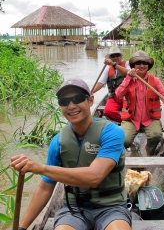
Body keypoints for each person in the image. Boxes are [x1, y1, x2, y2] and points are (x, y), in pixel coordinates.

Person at [10, 78, 132, 230]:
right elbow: (45, 187)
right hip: (74, 209)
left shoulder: (112, 132)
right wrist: (21, 227)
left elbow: (94, 177)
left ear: (91, 100)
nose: (71, 106)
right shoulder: (59, 141)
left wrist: (39, 168)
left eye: (78, 98)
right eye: (64, 101)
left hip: (111, 207)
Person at [106, 50, 164, 156]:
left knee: (156, 136)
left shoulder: (155, 80)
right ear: (133, 65)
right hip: (131, 118)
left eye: (144, 63)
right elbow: (118, 94)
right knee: (124, 141)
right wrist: (128, 79)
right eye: (138, 63)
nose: (141, 65)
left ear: (148, 66)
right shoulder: (128, 79)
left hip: (150, 118)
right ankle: (128, 149)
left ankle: (149, 149)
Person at [92, 46, 130, 123]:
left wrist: (114, 64)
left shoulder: (127, 64)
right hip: (114, 97)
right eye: (113, 56)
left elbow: (129, 73)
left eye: (117, 55)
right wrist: (91, 92)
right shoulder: (107, 68)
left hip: (127, 97)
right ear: (109, 58)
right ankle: (125, 122)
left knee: (133, 111)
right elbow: (101, 83)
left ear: (120, 56)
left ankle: (130, 122)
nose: (115, 57)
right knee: (108, 112)